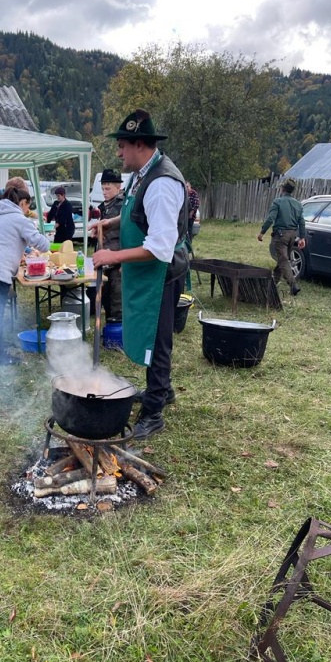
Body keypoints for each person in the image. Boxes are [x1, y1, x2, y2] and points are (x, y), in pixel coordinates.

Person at [91, 108, 189, 440]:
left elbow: (161, 247)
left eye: (121, 145)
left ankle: (154, 412)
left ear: (139, 145)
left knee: (157, 339)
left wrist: (112, 255)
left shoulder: (162, 183)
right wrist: (109, 222)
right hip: (149, 272)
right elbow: (136, 212)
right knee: (152, 334)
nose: (118, 152)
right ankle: (161, 391)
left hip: (161, 272)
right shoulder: (143, 173)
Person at [0, 183, 50, 365]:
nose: (28, 210)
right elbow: (43, 245)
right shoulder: (20, 220)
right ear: (21, 203)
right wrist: (47, 236)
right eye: (28, 205)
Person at [257, 178, 306, 296]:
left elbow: (270, 218)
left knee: (283, 260)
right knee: (282, 259)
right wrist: (302, 238)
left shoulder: (277, 202)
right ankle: (272, 283)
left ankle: (293, 285)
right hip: (292, 235)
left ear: (283, 189)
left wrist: (262, 232)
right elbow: (302, 222)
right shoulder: (298, 204)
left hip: (281, 235)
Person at [97, 168, 125, 322]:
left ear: (118, 187)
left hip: (118, 259)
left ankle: (117, 333)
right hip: (105, 260)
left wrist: (124, 261)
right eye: (102, 188)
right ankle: (109, 327)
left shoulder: (123, 206)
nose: (104, 192)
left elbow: (128, 235)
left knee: (117, 298)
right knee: (106, 296)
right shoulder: (103, 206)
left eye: (108, 188)